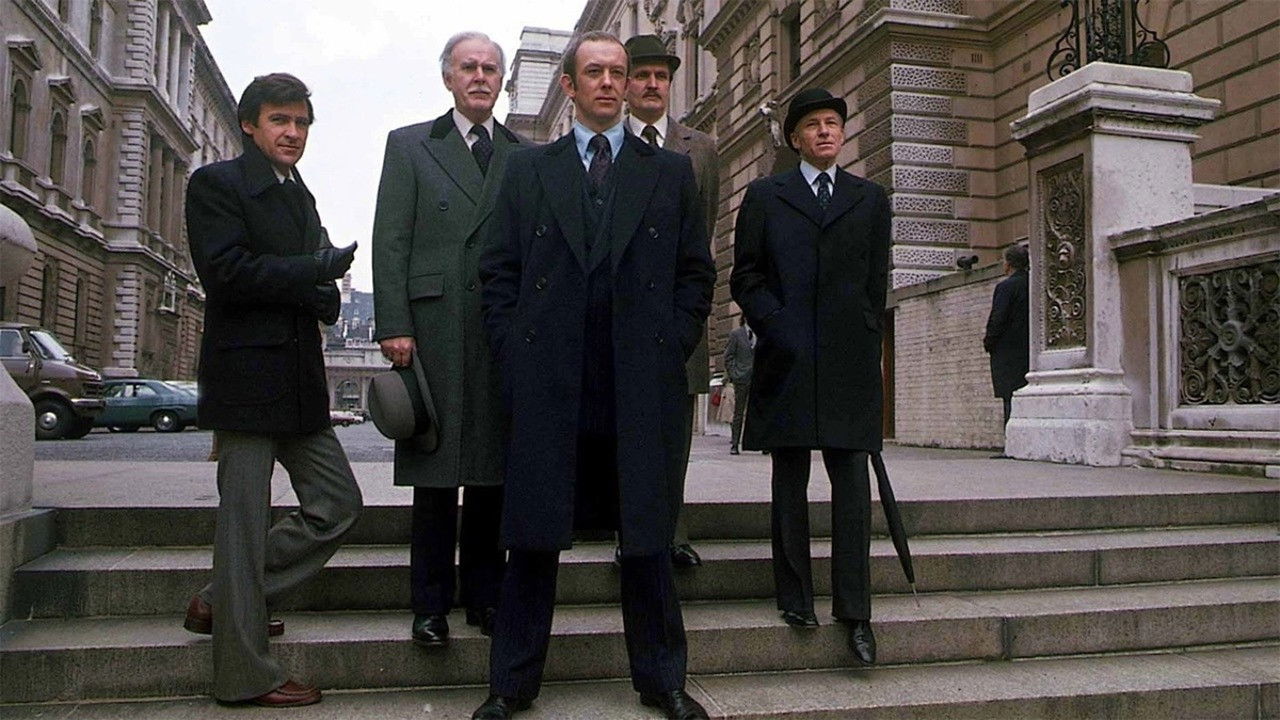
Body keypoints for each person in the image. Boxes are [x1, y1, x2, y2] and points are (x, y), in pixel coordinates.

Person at [473, 31, 714, 720]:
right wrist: (515, 351)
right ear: (570, 88)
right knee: (533, 538)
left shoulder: (669, 172)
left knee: (647, 538)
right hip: (550, 379)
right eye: (595, 73)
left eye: (619, 72)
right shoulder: (528, 169)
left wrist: (670, 344)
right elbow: (498, 271)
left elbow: (696, 273)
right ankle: (510, 684)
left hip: (638, 378)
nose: (610, 83)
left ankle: (663, 680)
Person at [183, 72, 363, 707]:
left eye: (302, 123)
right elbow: (226, 273)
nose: (293, 133)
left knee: (337, 505)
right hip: (245, 381)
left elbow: (322, 295)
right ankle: (244, 676)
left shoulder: (300, 194)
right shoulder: (216, 184)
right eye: (280, 121)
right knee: (242, 524)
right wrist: (311, 272)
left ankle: (222, 599)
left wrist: (318, 286)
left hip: (300, 383)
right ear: (250, 125)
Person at [371, 31, 529, 648]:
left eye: (491, 68)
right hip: (432, 330)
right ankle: (430, 606)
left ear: (501, 80)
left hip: (499, 330)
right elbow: (390, 239)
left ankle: (485, 597)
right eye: (469, 67)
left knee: (492, 474)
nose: (480, 77)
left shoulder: (523, 154)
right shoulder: (409, 144)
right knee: (435, 476)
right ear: (448, 78)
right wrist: (394, 323)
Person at [729, 87, 890, 667]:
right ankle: (795, 597)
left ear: (842, 134)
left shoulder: (869, 199)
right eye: (813, 125)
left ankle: (856, 614)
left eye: (832, 123)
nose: (825, 132)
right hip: (788, 357)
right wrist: (777, 325)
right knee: (789, 480)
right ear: (795, 138)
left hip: (849, 361)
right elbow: (745, 277)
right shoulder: (765, 196)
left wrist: (866, 330)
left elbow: (876, 279)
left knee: (852, 487)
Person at [622, 34, 721, 568]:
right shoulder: (609, 142)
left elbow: (703, 231)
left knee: (674, 433)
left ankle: (673, 532)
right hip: (621, 314)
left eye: (661, 76)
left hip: (678, 315)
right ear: (625, 84)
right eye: (642, 75)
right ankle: (627, 532)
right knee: (625, 429)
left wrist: (689, 314)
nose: (652, 84)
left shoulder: (700, 148)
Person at [984, 243, 1030, 429]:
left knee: (1010, 399)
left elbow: (998, 318)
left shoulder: (1005, 287)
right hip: (1029, 351)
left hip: (1008, 353)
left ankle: (1011, 437)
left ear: (1009, 264)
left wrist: (989, 342)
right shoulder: (1034, 283)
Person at [723, 316, 755, 455]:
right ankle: (735, 444)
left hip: (758, 378)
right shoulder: (736, 334)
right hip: (741, 378)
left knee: (759, 411)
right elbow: (728, 356)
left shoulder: (761, 332)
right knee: (738, 412)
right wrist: (734, 374)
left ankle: (762, 444)